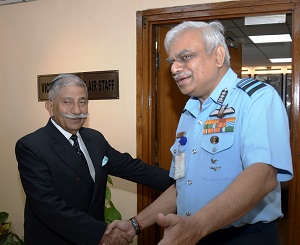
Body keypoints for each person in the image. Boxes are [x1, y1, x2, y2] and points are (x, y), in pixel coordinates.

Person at [105, 20, 294, 245]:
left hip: (243, 237)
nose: (174, 68)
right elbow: (182, 187)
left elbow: (263, 175)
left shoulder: (256, 98)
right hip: (195, 234)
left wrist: (197, 226)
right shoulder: (190, 112)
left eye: (185, 57)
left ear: (218, 56)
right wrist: (135, 224)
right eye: (171, 61)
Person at [15, 73, 173, 245]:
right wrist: (101, 233)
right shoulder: (32, 146)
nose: (76, 110)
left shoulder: (95, 139)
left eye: (82, 102)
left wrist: (183, 181)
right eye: (67, 102)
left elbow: (133, 168)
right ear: (50, 107)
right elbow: (49, 207)